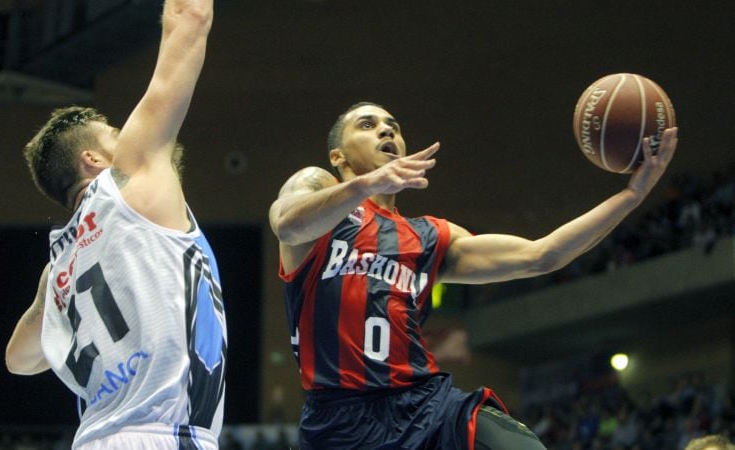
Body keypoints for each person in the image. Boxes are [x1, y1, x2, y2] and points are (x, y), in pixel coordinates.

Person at [269, 101, 678, 449]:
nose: (385, 131)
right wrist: (365, 185)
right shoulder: (317, 189)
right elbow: (287, 225)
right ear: (338, 156)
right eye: (368, 125)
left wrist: (631, 196)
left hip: (426, 405)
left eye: (393, 127)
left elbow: (542, 255)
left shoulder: (429, 236)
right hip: (339, 421)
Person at [4, 0, 226, 449]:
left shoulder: (61, 261)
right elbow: (190, 18)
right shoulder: (131, 176)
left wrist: (47, 297)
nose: (128, 134)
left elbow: (18, 360)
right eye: (114, 133)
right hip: (164, 433)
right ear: (94, 159)